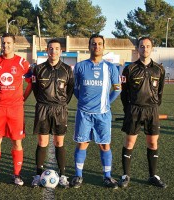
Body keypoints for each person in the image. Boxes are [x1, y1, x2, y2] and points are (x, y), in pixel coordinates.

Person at [70, 34, 121, 189]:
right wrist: (83, 102)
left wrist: (106, 103)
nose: (96, 46)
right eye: (93, 44)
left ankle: (107, 176)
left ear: (103, 47)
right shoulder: (80, 66)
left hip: (103, 114)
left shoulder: (111, 68)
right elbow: (75, 89)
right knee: (82, 144)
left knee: (105, 145)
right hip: (84, 114)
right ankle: (78, 176)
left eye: (99, 44)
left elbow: (117, 90)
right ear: (89, 46)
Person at [0, 33, 32, 186]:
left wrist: (23, 98)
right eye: (3, 43)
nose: (6, 46)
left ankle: (17, 175)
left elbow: (31, 83)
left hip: (16, 109)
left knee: (17, 142)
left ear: (14, 44)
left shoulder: (23, 63)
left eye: (9, 43)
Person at [118, 36, 167, 188]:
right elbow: (123, 92)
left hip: (152, 110)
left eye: (147, 46)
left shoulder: (159, 69)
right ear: (137, 49)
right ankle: (126, 175)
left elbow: (160, 92)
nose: (144, 49)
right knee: (129, 142)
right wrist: (128, 110)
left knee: (153, 142)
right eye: (141, 46)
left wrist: (154, 106)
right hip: (134, 110)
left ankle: (152, 176)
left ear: (151, 48)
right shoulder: (129, 68)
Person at [31, 39, 74, 188]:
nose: (53, 51)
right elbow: (36, 90)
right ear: (46, 50)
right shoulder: (38, 69)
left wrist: (60, 103)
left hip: (60, 110)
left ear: (61, 51)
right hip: (43, 108)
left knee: (58, 142)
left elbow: (70, 91)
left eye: (56, 49)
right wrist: (45, 102)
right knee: (42, 142)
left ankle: (62, 175)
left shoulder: (67, 69)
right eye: (51, 48)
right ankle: (38, 174)